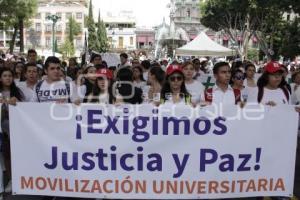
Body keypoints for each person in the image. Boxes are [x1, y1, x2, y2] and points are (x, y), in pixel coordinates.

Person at [0, 68, 24, 194]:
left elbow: (25, 110)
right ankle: (11, 179)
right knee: (7, 155)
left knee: (17, 155)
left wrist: (17, 103)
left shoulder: (17, 92)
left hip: (17, 129)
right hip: (3, 131)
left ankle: (21, 178)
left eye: (10, 75)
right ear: (0, 78)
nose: (8, 78)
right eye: (5, 75)